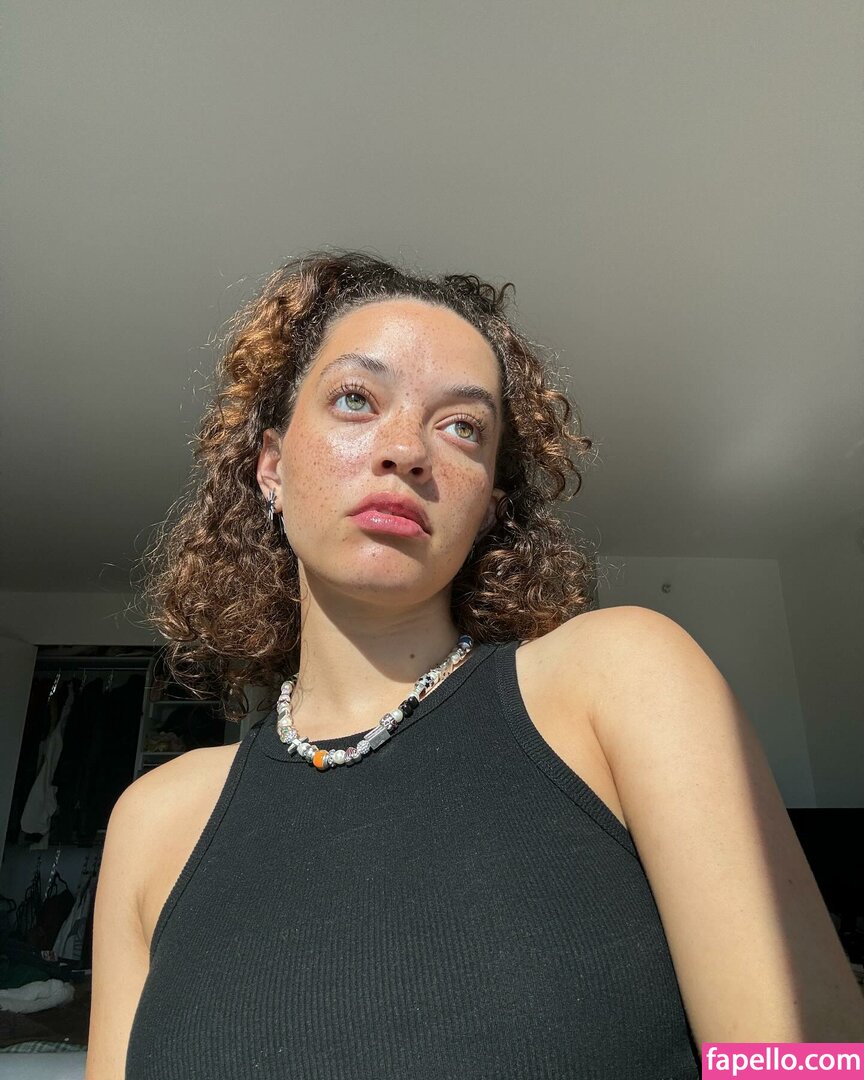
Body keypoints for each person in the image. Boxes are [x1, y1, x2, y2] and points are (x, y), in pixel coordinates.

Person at [86, 250, 864, 1079]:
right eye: (356, 399)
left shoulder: (619, 684)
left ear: (487, 507)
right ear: (271, 466)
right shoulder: (155, 822)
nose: (406, 449)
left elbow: (799, 1061)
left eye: (462, 427)